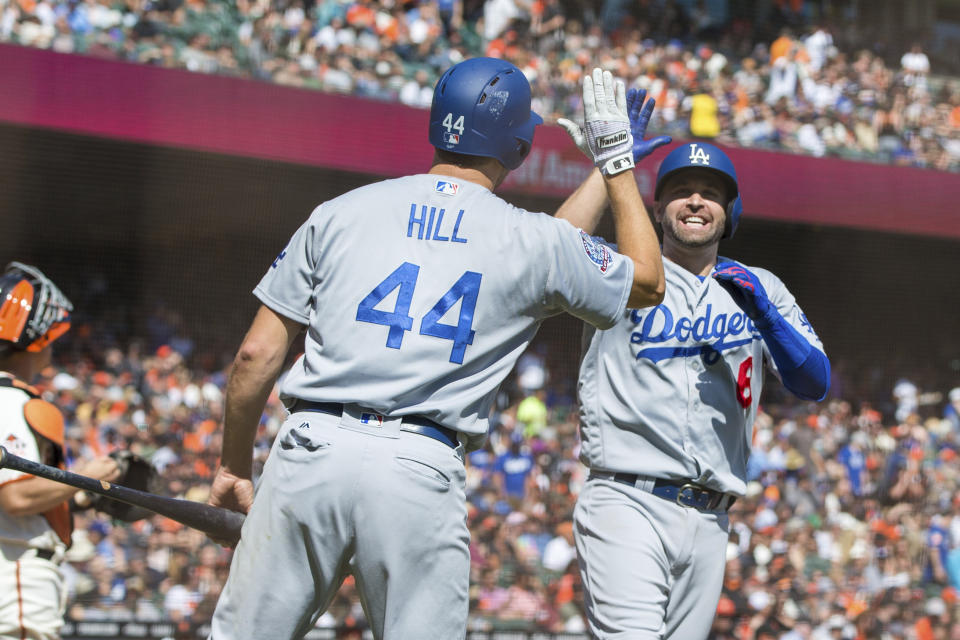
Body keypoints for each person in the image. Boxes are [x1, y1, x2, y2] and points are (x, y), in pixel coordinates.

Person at [207, 59, 666, 639]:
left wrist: (232, 464)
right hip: (418, 467)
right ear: (521, 144)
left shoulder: (340, 212)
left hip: (310, 452)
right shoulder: (528, 238)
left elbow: (255, 356)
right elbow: (645, 282)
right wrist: (616, 163)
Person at [557, 101, 830, 639]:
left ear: (731, 211)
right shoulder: (619, 270)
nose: (697, 201)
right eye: (681, 190)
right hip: (627, 499)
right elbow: (549, 247)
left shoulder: (760, 286)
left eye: (711, 192)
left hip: (711, 516)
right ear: (658, 209)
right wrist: (608, 167)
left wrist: (768, 318)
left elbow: (814, 382)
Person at [0, 262, 121, 640]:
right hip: (17, 570)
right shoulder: (10, 400)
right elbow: (15, 496)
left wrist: (79, 497)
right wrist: (88, 475)